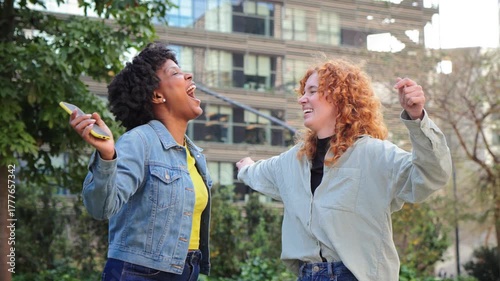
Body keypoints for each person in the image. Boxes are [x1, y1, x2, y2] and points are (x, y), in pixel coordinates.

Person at [236, 58, 452, 281]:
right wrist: (245, 168)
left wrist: (417, 118)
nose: (302, 99)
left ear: (340, 96)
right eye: (303, 92)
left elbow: (430, 174)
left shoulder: (373, 154)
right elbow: (257, 172)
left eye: (312, 91)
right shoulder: (292, 161)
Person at [69, 42, 212, 281]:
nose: (188, 75)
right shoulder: (139, 141)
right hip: (139, 272)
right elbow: (101, 207)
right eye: (175, 73)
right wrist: (107, 156)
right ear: (157, 95)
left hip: (186, 270)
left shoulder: (195, 154)